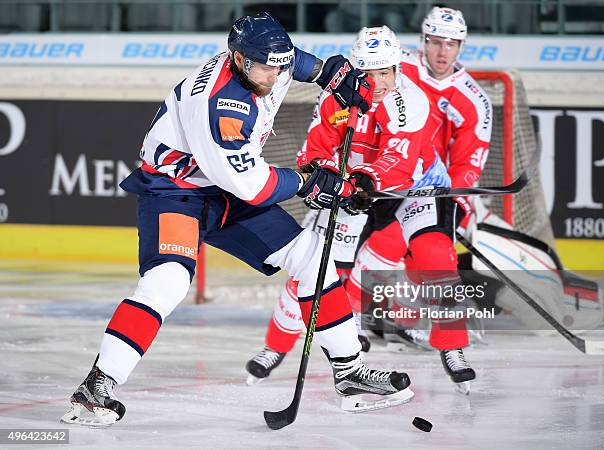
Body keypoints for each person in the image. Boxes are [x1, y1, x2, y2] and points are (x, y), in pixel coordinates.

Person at [60, 12, 414, 427]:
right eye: (266, 66)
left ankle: (349, 372)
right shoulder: (221, 106)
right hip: (177, 193)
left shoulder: (265, 62)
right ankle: (97, 386)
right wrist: (310, 184)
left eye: (279, 64)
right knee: (168, 281)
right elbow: (253, 187)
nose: (275, 73)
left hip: (222, 185)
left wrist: (327, 73)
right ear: (239, 60)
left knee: (312, 256)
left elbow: (293, 61)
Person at [245, 25, 449, 383]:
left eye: (385, 71)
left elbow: (398, 162)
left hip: (401, 192)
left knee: (381, 260)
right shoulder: (335, 100)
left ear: (397, 69)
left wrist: (364, 181)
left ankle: (353, 325)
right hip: (352, 189)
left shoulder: (412, 101)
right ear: (357, 71)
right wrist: (324, 176)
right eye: (369, 72)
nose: (379, 81)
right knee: (316, 267)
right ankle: (277, 344)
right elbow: (316, 148)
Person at [345, 7, 492, 394]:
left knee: (432, 258)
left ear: (461, 45)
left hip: (427, 181)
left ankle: (443, 340)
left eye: (452, 43)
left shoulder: (474, 99)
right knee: (377, 253)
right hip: (382, 179)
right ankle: (357, 323)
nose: (443, 52)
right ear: (423, 41)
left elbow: (469, 159)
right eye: (436, 41)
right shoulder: (395, 65)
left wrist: (457, 200)